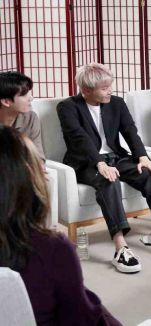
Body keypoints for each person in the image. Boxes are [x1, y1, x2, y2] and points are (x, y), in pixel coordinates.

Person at [57, 63, 151, 274]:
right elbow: (78, 138)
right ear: (86, 90)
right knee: (108, 180)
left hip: (116, 157)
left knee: (150, 174)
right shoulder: (67, 107)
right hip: (86, 162)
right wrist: (100, 163)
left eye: (110, 86)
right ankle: (121, 247)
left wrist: (143, 157)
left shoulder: (117, 103)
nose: (110, 91)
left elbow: (130, 131)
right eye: (104, 88)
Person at [0, 126, 121, 325]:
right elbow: (82, 320)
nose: (43, 169)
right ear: (26, 175)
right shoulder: (52, 250)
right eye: (37, 161)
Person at [0, 71, 44, 159]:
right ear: (6, 101)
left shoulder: (30, 118)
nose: (31, 98)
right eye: (24, 95)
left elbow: (38, 156)